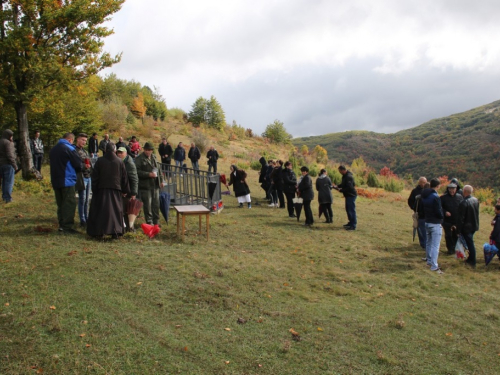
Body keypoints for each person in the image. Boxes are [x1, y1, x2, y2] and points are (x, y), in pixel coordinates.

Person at [87, 142, 130, 238]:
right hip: (115, 190)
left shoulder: (100, 161)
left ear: (105, 150)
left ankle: (99, 232)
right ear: (115, 150)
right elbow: (124, 177)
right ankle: (116, 231)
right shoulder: (119, 161)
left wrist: (95, 189)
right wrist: (125, 190)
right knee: (115, 211)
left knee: (101, 211)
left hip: (101, 190)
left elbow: (95, 177)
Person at [49, 133, 82, 234]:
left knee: (60, 203)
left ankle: (61, 225)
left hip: (55, 179)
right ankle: (67, 227)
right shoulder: (69, 149)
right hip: (67, 179)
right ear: (70, 140)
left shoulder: (53, 149)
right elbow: (78, 164)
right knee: (69, 203)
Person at [135, 142, 165, 225]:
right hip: (145, 185)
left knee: (156, 204)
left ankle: (156, 221)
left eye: (150, 150)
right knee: (148, 205)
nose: (148, 152)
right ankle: (149, 222)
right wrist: (148, 174)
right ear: (144, 150)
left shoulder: (154, 157)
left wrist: (161, 181)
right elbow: (137, 172)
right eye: (146, 150)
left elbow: (159, 170)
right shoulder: (139, 159)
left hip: (155, 185)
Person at [421, 178, 444, 274]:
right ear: (438, 186)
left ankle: (429, 260)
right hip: (435, 223)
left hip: (427, 221)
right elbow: (438, 211)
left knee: (429, 242)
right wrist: (442, 216)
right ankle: (434, 266)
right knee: (435, 245)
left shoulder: (425, 195)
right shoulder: (435, 197)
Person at [457, 185, 480, 268]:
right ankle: (470, 258)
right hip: (474, 224)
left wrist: (458, 230)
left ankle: (472, 261)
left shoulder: (463, 203)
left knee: (470, 244)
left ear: (464, 191)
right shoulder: (475, 200)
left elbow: (461, 218)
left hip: (467, 226)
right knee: (470, 242)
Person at [117, 147, 138, 232]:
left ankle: (130, 228)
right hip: (122, 190)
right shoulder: (120, 161)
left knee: (128, 210)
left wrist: (133, 193)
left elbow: (134, 178)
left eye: (121, 153)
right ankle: (125, 227)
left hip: (128, 191)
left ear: (126, 153)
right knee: (123, 209)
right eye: (118, 152)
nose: (119, 154)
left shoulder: (129, 163)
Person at [440, 183, 463, 255]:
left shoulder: (460, 197)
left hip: (456, 220)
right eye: (450, 189)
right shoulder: (443, 198)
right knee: (448, 235)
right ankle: (450, 249)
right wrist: (445, 212)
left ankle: (455, 248)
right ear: (448, 189)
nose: (452, 191)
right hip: (447, 220)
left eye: (453, 189)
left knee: (455, 235)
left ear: (456, 189)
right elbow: (439, 208)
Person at [74, 133, 92, 227]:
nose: (84, 142)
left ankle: (87, 217)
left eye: (85, 141)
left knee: (87, 199)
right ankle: (82, 219)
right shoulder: (74, 150)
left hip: (88, 176)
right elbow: (75, 164)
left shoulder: (85, 151)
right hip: (81, 177)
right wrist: (84, 166)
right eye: (82, 140)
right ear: (77, 139)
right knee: (82, 198)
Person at [335, 165, 357, 231]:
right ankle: (350, 223)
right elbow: (343, 184)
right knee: (348, 209)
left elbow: (349, 187)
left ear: (343, 170)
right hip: (348, 195)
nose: (339, 172)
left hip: (351, 195)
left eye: (340, 171)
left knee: (351, 210)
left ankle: (353, 225)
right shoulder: (345, 176)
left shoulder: (348, 177)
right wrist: (337, 186)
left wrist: (341, 190)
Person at [408, 177, 427, 249]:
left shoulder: (427, 190)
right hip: (418, 213)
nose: (423, 184)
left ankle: (426, 243)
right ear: (419, 182)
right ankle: (422, 243)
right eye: (422, 182)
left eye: (425, 182)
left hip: (426, 213)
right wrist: (414, 208)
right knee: (419, 228)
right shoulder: (415, 191)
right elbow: (410, 201)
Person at [0, 129, 18, 203]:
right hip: (8, 164)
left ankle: (4, 196)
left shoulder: (0, 141)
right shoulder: (8, 143)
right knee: (9, 182)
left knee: (4, 182)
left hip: (1, 164)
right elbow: (10, 155)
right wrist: (15, 165)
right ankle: (7, 198)